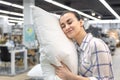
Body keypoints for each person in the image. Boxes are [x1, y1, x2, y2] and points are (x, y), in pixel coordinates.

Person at [52, 11, 114, 80]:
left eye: (69, 22)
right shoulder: (75, 47)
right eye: (63, 26)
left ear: (81, 22)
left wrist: (70, 76)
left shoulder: (96, 45)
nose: (66, 27)